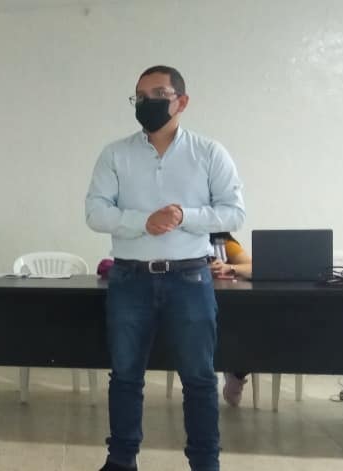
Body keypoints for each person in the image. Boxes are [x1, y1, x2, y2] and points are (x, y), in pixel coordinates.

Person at [85, 66, 246, 471]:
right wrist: (143, 221)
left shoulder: (208, 152)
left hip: (190, 277)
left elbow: (233, 212)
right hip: (129, 278)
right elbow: (95, 212)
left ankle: (205, 463)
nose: (147, 103)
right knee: (125, 375)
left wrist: (183, 215)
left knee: (198, 377)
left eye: (158, 94)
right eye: (140, 96)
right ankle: (121, 460)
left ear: (182, 101)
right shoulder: (115, 153)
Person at [209, 232, 254, 406]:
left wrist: (230, 267)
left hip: (228, 303)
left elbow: (253, 267)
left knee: (250, 327)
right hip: (193, 302)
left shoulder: (221, 241)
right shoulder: (178, 241)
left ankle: (236, 374)